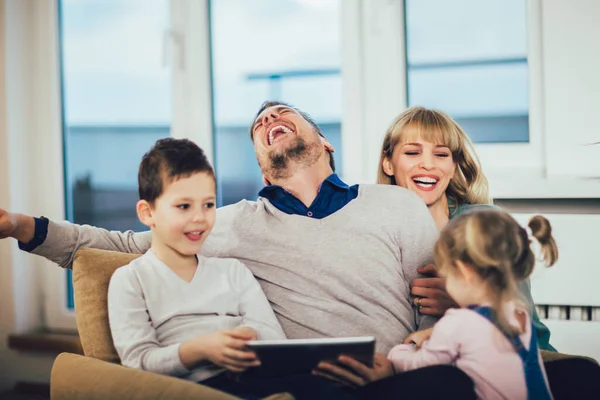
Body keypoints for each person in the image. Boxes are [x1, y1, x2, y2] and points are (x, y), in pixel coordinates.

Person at [0, 101, 476, 398]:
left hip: (397, 376)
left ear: (325, 141)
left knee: (455, 384)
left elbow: (433, 311)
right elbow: (119, 245)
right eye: (259, 124)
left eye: (282, 113)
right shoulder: (228, 223)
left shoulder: (397, 205)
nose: (268, 118)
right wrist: (22, 226)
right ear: (263, 170)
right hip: (308, 384)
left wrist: (395, 364)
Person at [107, 137, 304, 399]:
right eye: (184, 206)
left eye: (208, 204)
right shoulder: (131, 279)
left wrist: (249, 338)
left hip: (253, 380)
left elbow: (275, 341)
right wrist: (199, 349)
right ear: (147, 213)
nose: (199, 217)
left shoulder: (233, 271)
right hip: (189, 390)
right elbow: (138, 363)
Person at [376, 106, 554, 351]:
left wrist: (464, 303)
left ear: (453, 166)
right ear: (388, 163)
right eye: (412, 152)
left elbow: (531, 335)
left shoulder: (489, 225)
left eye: (441, 154)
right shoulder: (375, 235)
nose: (428, 164)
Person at [388, 209, 556, 399]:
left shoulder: (458, 322)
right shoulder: (518, 313)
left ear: (463, 271)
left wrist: (398, 353)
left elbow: (421, 366)